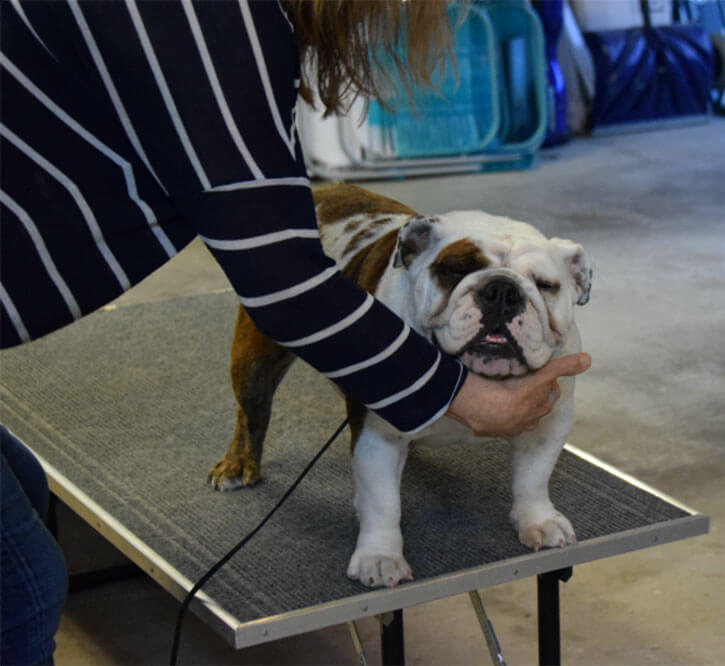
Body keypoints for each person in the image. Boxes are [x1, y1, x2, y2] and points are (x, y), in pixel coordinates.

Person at [0, 1, 591, 663]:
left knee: (21, 489)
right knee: (19, 597)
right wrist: (458, 399)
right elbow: (281, 280)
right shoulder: (208, 20)